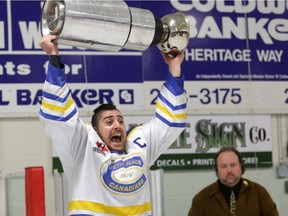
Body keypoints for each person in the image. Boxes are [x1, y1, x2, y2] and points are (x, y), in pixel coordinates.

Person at [39, 35, 187, 216]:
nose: (117, 125)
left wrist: (174, 67)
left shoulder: (139, 144)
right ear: (95, 130)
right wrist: (54, 57)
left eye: (120, 120)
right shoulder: (83, 144)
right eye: (109, 122)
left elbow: (171, 121)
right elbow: (58, 115)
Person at [188, 146, 279, 216]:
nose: (229, 170)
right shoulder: (201, 199)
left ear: (241, 166)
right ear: (217, 170)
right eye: (223, 166)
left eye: (233, 165)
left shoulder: (259, 193)